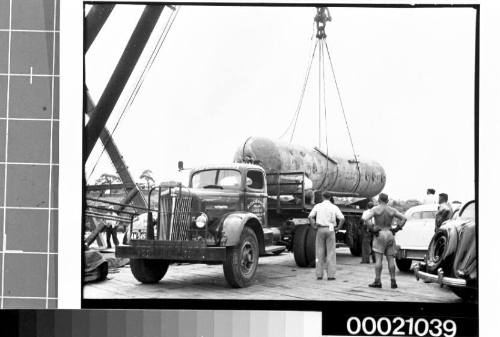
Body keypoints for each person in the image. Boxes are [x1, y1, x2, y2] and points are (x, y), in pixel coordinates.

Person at [362, 193, 407, 289]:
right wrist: (397, 229)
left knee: (379, 259)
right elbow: (404, 218)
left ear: (378, 200)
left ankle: (377, 281)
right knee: (391, 259)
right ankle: (393, 281)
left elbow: (365, 219)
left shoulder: (375, 209)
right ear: (387, 201)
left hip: (380, 233)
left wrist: (372, 229)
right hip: (389, 233)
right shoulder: (392, 210)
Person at [308, 191, 345, 280]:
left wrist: (314, 226)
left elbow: (310, 216)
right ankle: (331, 275)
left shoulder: (317, 206)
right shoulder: (334, 207)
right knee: (331, 252)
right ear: (330, 197)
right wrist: (338, 228)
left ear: (322, 197)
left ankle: (319, 275)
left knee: (319, 252)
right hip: (331, 228)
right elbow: (342, 218)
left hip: (320, 229)